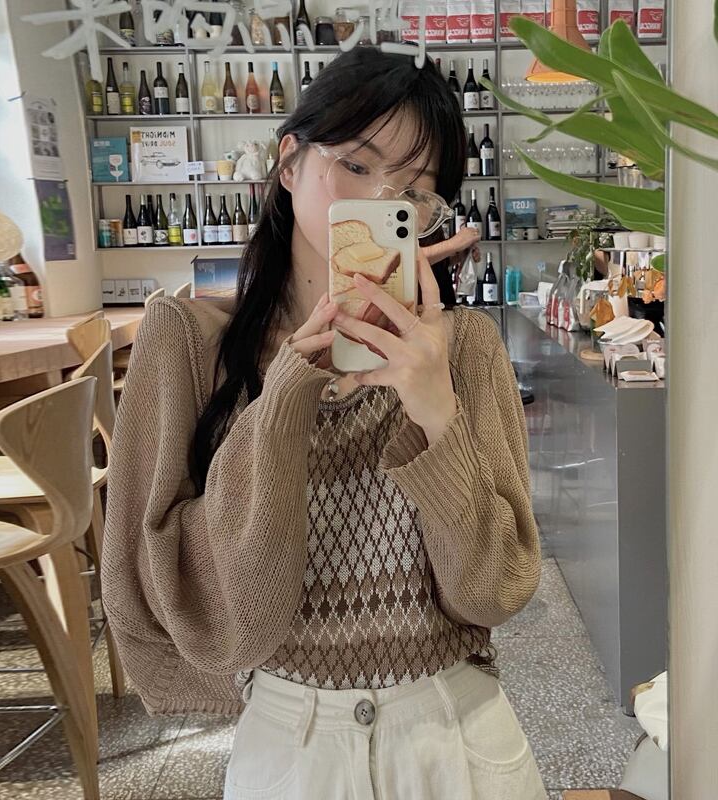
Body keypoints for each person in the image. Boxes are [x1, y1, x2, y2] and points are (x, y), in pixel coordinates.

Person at [102, 47, 544, 800]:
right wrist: (282, 400)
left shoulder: (464, 348)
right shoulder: (186, 345)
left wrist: (436, 412)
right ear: (289, 163)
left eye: (413, 189)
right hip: (290, 745)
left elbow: (493, 592)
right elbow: (175, 599)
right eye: (357, 165)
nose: (379, 198)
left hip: (458, 735)